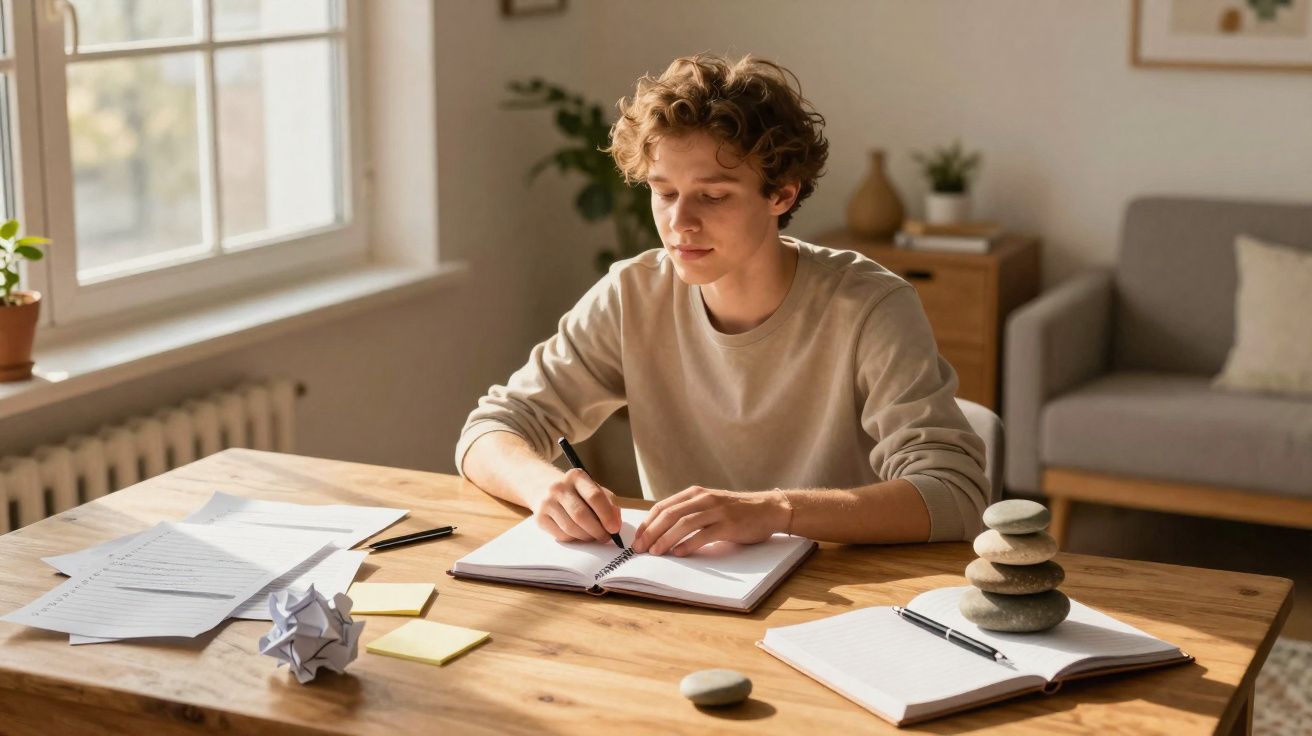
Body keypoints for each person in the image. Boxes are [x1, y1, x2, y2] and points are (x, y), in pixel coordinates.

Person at [456, 53, 988, 557]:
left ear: (781, 195)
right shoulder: (632, 295)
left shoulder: (871, 306)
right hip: (687, 591)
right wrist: (544, 485)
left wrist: (775, 510)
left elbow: (955, 494)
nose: (680, 223)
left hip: (842, 596)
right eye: (664, 193)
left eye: (712, 196)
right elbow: (491, 428)